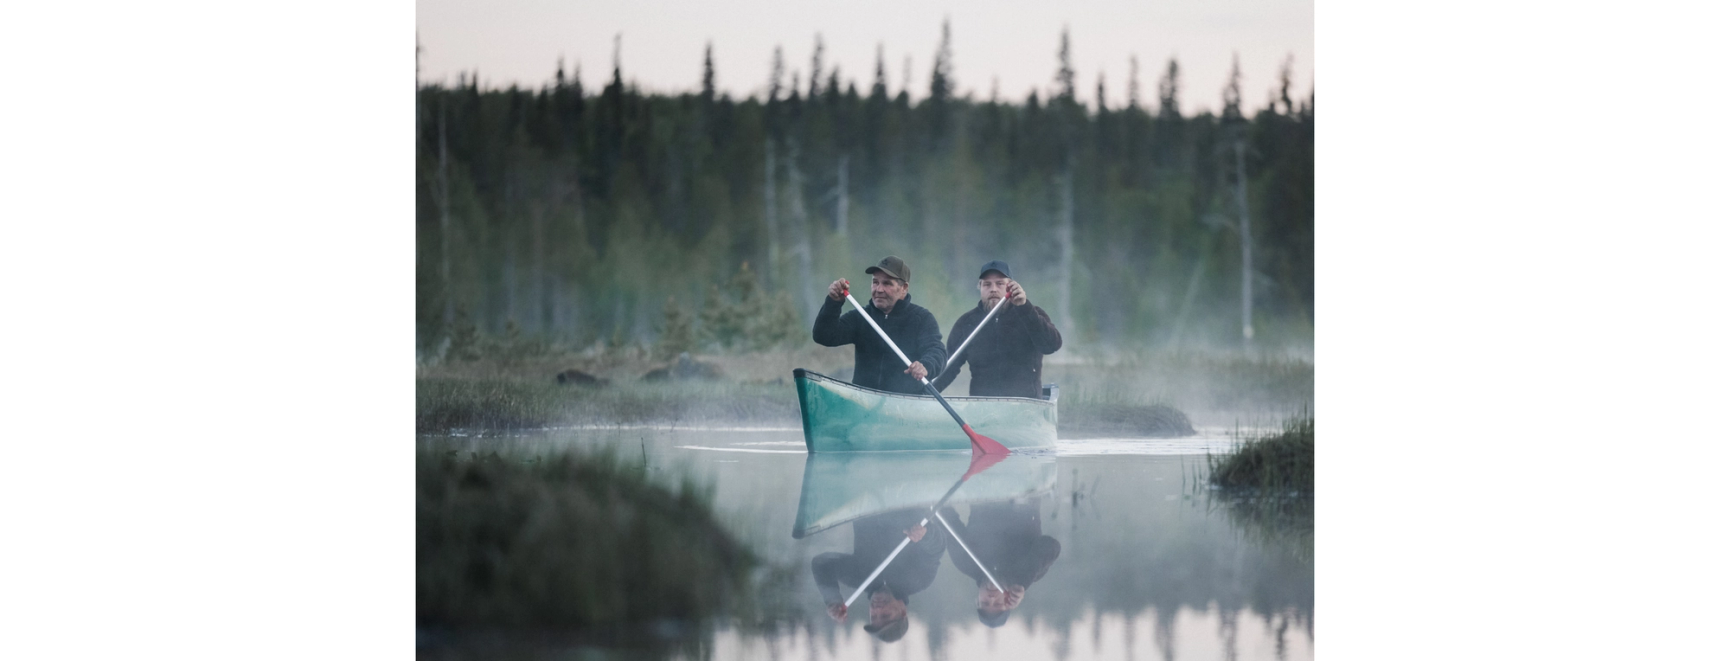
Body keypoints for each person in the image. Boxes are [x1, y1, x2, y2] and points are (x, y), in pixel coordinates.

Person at [810, 508, 952, 643]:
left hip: (865, 498)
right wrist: (926, 534)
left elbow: (822, 564)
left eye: (873, 616)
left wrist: (832, 599)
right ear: (903, 611)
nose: (877, 610)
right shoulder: (919, 580)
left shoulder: (860, 578)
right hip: (903, 497)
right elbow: (938, 548)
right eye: (885, 615)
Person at [813, 256, 947, 395]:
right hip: (864, 401)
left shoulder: (922, 319)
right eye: (875, 282)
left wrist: (926, 366)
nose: (879, 289)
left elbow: (937, 351)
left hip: (907, 402)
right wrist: (833, 302)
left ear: (904, 288)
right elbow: (824, 335)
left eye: (887, 283)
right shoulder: (861, 316)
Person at [931, 260, 1063, 398]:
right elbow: (948, 368)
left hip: (1026, 403)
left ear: (1011, 287)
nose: (993, 289)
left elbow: (1051, 345)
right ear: (980, 287)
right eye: (987, 284)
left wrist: (1024, 308)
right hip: (982, 405)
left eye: (1000, 283)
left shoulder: (1031, 313)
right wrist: (924, 394)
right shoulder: (966, 323)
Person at [940, 499, 1062, 628]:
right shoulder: (1029, 574)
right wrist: (1022, 581)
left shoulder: (966, 563)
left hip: (983, 495)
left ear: (977, 600)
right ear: (1010, 599)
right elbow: (1051, 545)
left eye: (985, 603)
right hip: (1024, 496)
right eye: (998, 603)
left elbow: (947, 519)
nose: (991, 598)